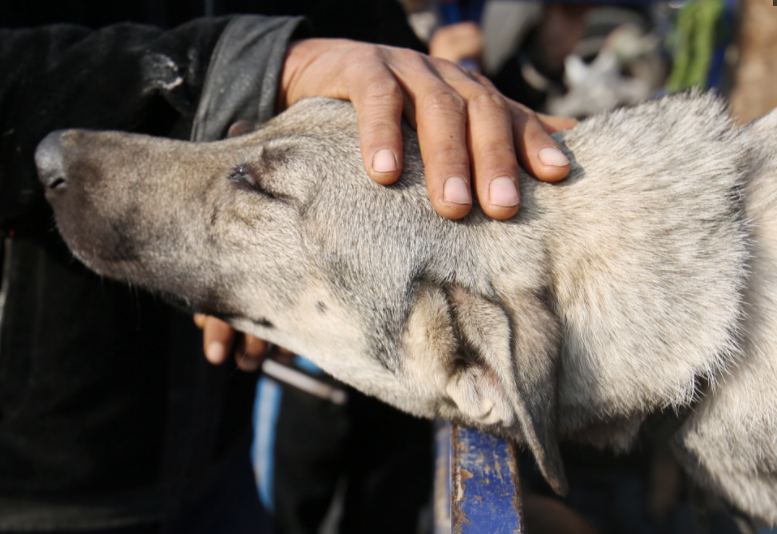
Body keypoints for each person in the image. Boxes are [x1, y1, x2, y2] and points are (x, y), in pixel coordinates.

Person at [0, 9, 574, 534]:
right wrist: (254, 66)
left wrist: (492, 93)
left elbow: (405, 75)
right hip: (42, 488)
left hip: (223, 456)